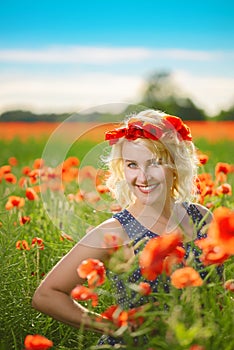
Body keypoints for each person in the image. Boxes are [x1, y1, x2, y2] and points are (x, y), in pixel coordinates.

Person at [32, 109, 212, 346]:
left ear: (176, 165)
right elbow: (46, 295)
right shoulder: (115, 232)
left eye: (155, 163)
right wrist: (113, 327)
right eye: (132, 165)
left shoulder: (201, 217)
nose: (143, 177)